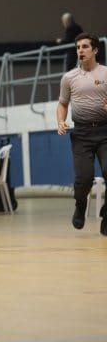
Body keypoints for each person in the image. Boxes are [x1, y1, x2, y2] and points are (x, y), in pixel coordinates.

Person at [57, 32, 107, 235]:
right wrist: (61, 121)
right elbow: (62, 104)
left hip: (105, 131)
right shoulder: (69, 78)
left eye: (85, 46)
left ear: (95, 50)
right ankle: (80, 206)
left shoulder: (105, 73)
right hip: (82, 133)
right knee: (84, 178)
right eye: (78, 47)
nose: (80, 51)